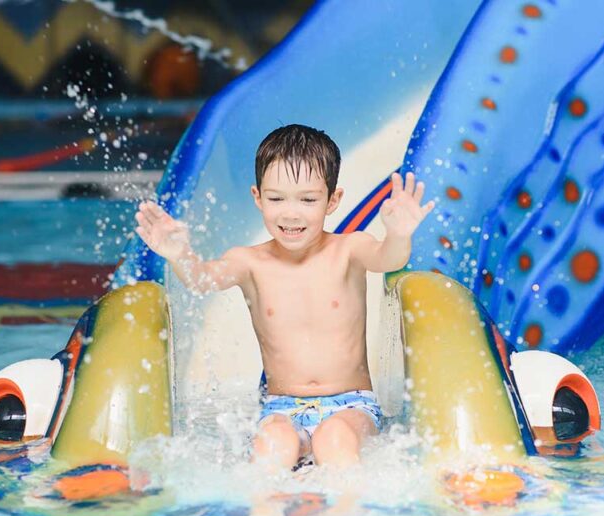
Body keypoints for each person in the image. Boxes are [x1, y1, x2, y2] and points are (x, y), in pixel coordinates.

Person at [135, 124, 434, 469]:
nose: (291, 213)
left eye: (308, 200)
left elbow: (389, 258)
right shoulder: (248, 262)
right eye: (276, 199)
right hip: (280, 408)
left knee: (333, 439)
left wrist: (398, 234)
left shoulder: (350, 250)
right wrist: (178, 254)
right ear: (257, 197)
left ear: (333, 200)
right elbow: (202, 280)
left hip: (352, 406)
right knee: (273, 444)